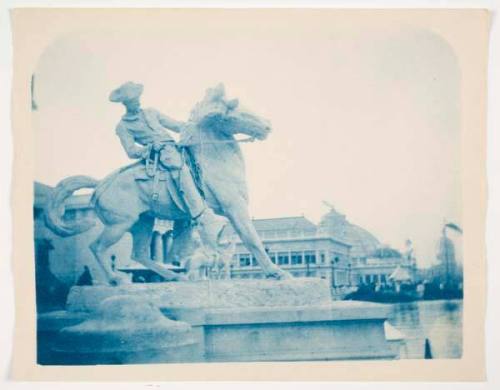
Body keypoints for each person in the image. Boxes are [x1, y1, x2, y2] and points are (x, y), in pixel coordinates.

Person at [109, 81, 226, 251]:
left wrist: (193, 127)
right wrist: (149, 148)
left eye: (138, 98)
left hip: (175, 146)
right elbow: (131, 151)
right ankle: (203, 216)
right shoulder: (123, 126)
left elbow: (174, 125)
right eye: (133, 100)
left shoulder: (151, 112)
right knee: (180, 168)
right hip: (161, 153)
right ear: (125, 103)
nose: (138, 102)